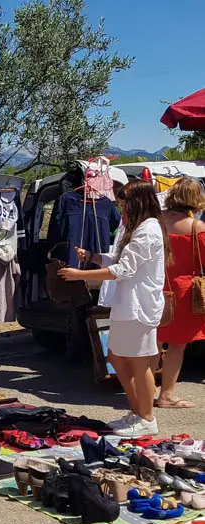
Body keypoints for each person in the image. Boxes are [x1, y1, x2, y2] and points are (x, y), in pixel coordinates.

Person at [59, 181, 172, 438]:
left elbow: (123, 270)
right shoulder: (138, 228)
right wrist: (92, 256)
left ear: (138, 203)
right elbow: (118, 260)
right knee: (118, 358)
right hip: (127, 305)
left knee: (140, 363)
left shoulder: (149, 230)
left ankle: (146, 417)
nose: (122, 210)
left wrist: (80, 274)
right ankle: (138, 412)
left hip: (139, 307)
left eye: (125, 205)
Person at [157, 178, 205, 408]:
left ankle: (142, 390)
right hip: (183, 292)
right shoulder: (197, 228)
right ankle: (166, 395)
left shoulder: (156, 222)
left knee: (151, 343)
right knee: (176, 345)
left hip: (154, 287)